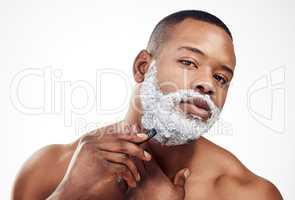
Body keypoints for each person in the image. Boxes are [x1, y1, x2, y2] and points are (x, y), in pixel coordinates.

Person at [12, 10, 283, 200]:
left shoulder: (250, 193)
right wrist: (68, 195)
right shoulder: (49, 168)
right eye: (189, 63)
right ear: (143, 67)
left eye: (221, 77)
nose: (208, 84)